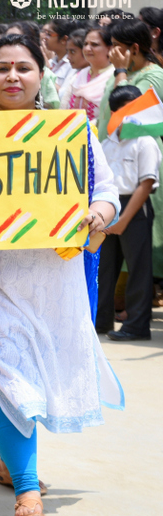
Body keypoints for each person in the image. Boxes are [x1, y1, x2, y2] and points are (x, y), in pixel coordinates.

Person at [0, 34, 123, 516]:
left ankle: (11, 462)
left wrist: (98, 210)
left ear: (41, 76)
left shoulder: (72, 132)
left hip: (53, 276)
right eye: (2, 67)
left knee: (35, 371)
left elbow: (106, 190)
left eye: (23, 67)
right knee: (8, 371)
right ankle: (28, 490)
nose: (12, 76)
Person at [97, 19, 163, 285]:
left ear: (134, 48)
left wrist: (121, 71)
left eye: (116, 47)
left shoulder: (153, 77)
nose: (111, 52)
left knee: (139, 249)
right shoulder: (121, 73)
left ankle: (136, 311)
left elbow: (132, 118)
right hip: (116, 166)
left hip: (140, 169)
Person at [97, 85, 160, 341]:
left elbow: (146, 184)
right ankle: (99, 321)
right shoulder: (106, 143)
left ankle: (136, 326)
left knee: (138, 269)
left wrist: (123, 221)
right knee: (105, 268)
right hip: (109, 205)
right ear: (117, 112)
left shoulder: (145, 142)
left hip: (135, 207)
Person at [62, 27, 112, 122]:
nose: (87, 48)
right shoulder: (78, 76)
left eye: (94, 44)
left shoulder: (114, 77)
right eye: (85, 44)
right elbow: (63, 109)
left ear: (109, 48)